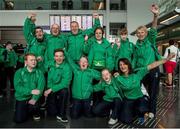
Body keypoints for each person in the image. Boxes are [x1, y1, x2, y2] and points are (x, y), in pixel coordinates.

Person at [115, 53, 175, 124]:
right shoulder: (118, 78)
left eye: (124, 64)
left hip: (139, 98)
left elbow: (152, 65)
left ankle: (140, 113)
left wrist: (166, 59)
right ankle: (133, 111)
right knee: (126, 120)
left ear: (128, 65)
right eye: (120, 65)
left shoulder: (137, 73)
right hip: (128, 100)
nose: (122, 66)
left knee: (142, 108)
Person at [132, 4, 161, 118]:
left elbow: (153, 29)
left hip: (153, 69)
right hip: (141, 71)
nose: (140, 34)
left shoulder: (150, 41)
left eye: (142, 32)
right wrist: (133, 71)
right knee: (139, 90)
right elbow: (134, 59)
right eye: (138, 33)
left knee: (153, 92)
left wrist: (155, 16)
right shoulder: (136, 45)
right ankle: (143, 108)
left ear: (146, 33)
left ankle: (152, 110)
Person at [64, 50, 101, 119]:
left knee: (88, 115)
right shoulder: (76, 70)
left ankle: (86, 108)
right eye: (81, 61)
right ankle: (78, 108)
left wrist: (94, 88)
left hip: (87, 98)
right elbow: (70, 60)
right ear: (79, 63)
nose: (83, 63)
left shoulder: (91, 72)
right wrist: (64, 51)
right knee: (74, 116)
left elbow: (103, 77)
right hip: (76, 98)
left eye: (85, 62)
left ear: (88, 63)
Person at [14, 53, 45, 123]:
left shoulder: (39, 72)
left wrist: (34, 98)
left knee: (34, 106)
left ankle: (35, 111)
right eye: (31, 60)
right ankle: (23, 108)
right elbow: (18, 87)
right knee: (19, 120)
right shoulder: (19, 72)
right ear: (26, 62)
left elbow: (40, 88)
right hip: (22, 97)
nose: (34, 62)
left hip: (33, 97)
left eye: (35, 60)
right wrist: (31, 91)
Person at [44, 49, 72, 123]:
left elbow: (65, 83)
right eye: (56, 56)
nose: (58, 58)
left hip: (60, 88)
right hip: (50, 88)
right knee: (51, 113)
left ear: (64, 57)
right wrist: (47, 89)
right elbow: (43, 73)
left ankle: (62, 114)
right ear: (54, 57)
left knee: (65, 91)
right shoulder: (49, 64)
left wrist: (51, 89)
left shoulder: (67, 67)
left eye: (60, 56)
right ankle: (50, 104)